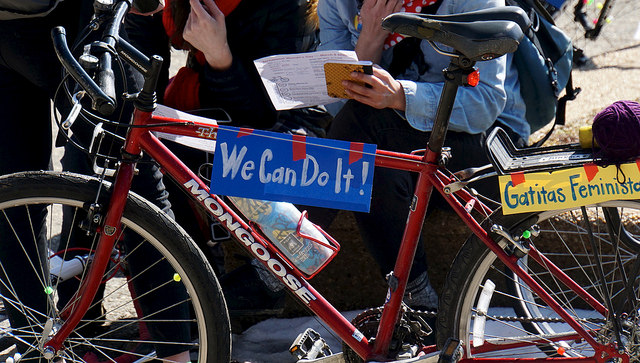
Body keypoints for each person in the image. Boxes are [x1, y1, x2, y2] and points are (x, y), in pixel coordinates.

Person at [0, 1, 192, 361]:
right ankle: (175, 352)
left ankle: (36, 348)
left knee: (16, 202)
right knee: (137, 184)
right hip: (80, 23)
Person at [315, 0, 529, 312]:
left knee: (364, 127)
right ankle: (419, 300)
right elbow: (336, 106)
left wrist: (400, 96)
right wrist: (371, 37)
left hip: (486, 143)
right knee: (371, 156)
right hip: (397, 140)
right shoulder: (340, 4)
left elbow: (484, 103)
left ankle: (283, 258)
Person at [161, 0, 333, 319]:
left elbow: (274, 111)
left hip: (289, 124)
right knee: (154, 149)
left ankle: (230, 289)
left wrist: (219, 55)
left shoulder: (291, 7)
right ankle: (188, 294)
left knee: (187, 159)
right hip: (212, 102)